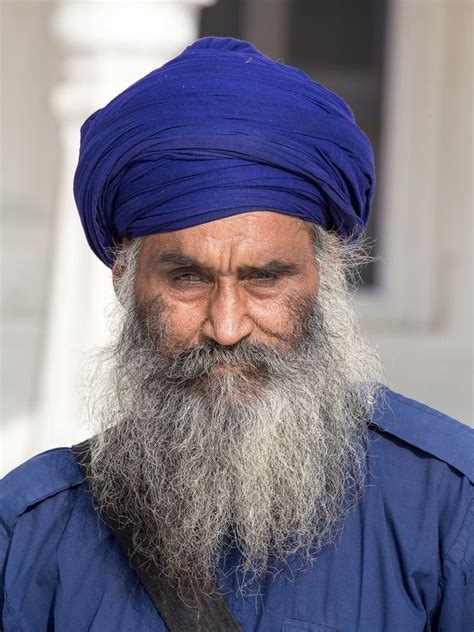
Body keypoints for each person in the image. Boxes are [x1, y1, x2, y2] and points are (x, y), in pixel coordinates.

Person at [1, 37, 472, 632]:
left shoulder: (452, 509)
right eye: (187, 278)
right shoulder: (31, 530)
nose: (226, 327)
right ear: (125, 280)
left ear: (325, 278)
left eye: (265, 279)